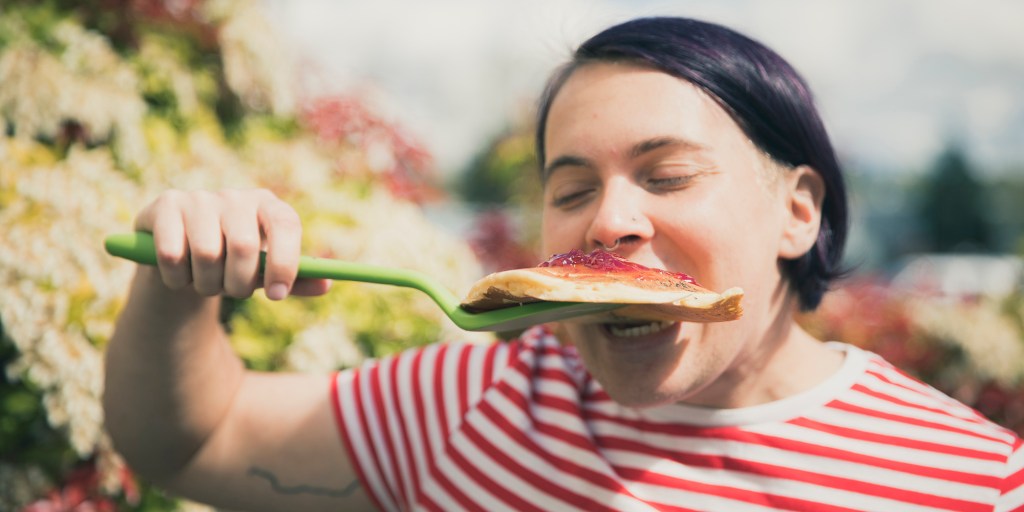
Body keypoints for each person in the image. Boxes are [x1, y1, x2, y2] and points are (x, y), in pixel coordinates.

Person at [103, 17, 1024, 511]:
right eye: (572, 188)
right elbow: (189, 441)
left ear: (797, 211)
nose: (612, 220)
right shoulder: (483, 397)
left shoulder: (976, 487)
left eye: (667, 175)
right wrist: (175, 286)